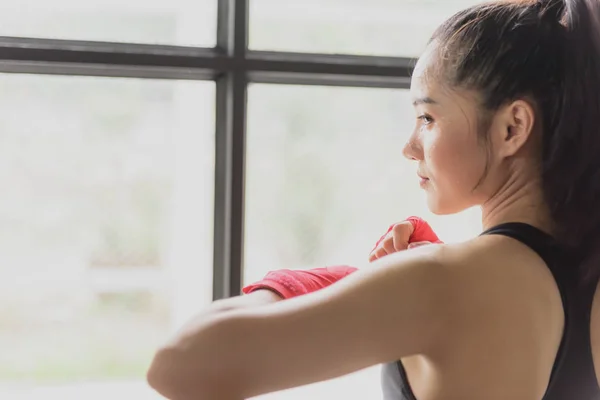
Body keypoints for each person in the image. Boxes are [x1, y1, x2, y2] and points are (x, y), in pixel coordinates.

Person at [146, 0, 600, 399]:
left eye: (427, 116)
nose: (409, 146)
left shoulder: (442, 283)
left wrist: (330, 281)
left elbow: (180, 365)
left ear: (512, 128)